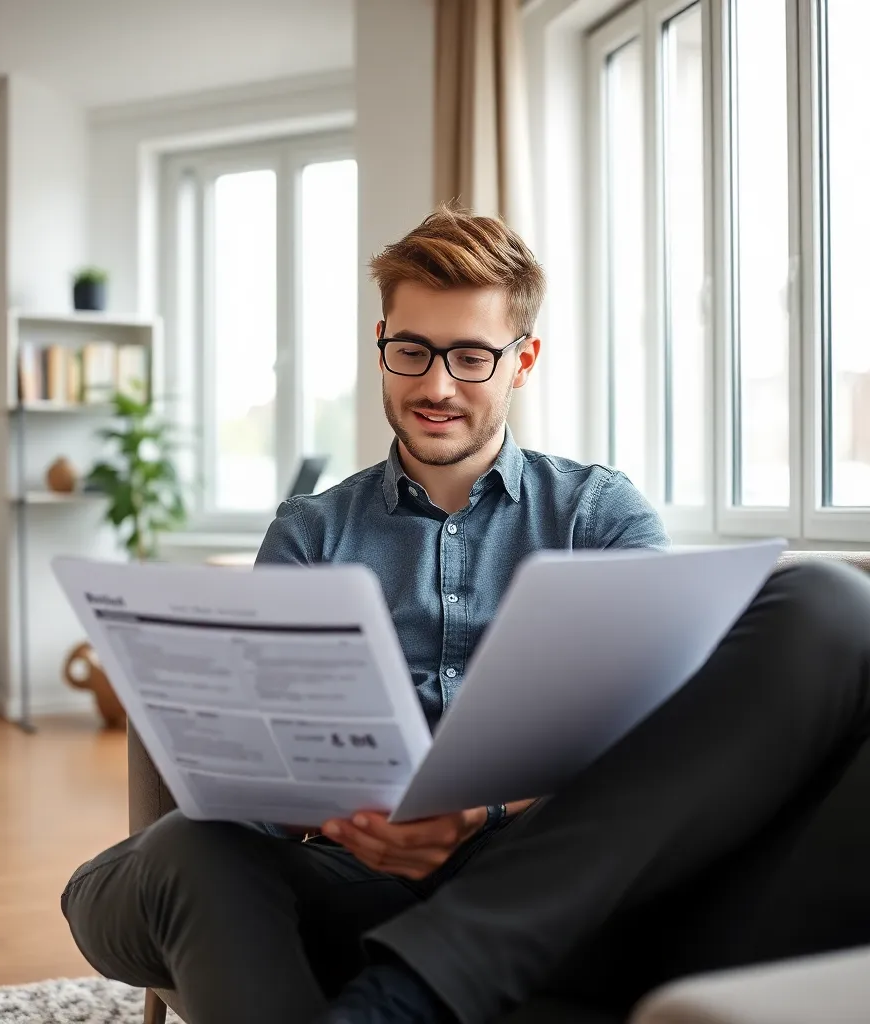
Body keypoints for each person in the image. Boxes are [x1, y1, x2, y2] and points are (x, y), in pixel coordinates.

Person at [61, 206, 870, 1024]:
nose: (435, 385)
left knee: (830, 601)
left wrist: (481, 810)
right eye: (411, 350)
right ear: (382, 343)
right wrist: (320, 800)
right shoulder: (311, 531)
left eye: (472, 357)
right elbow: (264, 790)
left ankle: (405, 995)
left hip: (550, 882)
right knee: (172, 858)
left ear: (524, 361)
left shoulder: (600, 516)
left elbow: (660, 746)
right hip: (349, 884)